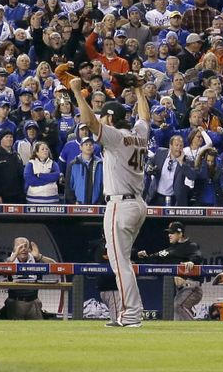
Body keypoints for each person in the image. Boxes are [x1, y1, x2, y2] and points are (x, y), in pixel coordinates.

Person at [69, 75, 150, 328]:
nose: (102, 118)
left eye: (105, 115)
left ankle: (131, 315)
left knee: (120, 263)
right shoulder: (138, 134)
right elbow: (145, 118)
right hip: (137, 203)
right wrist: (138, 90)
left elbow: (89, 121)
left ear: (112, 119)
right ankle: (132, 312)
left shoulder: (115, 136)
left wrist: (77, 92)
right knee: (123, 261)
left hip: (120, 205)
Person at [137, 221, 203, 321]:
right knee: (177, 310)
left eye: (172, 233)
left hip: (192, 287)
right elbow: (157, 256)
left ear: (180, 234)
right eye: (169, 233)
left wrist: (191, 261)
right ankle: (183, 333)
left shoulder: (191, 246)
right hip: (182, 289)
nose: (169, 235)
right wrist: (145, 257)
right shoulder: (172, 249)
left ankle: (193, 328)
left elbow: (197, 255)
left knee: (178, 306)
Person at [3, 237, 56, 320]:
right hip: (15, 302)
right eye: (20, 246)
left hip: (33, 302)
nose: (23, 249)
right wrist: (13, 257)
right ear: (14, 249)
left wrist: (39, 257)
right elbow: (0, 269)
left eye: (26, 246)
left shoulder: (34, 259)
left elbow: (55, 266)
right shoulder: (10, 260)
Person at [144, 134, 192, 206]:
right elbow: (150, 161)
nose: (179, 148)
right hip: (155, 197)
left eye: (181, 146)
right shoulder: (160, 152)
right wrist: (149, 167)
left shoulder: (186, 161)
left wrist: (181, 162)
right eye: (177, 145)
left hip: (174, 200)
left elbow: (192, 176)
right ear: (170, 146)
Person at [0, 129, 26, 203]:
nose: (9, 139)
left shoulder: (16, 155)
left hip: (17, 194)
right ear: (1, 139)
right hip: (3, 196)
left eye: (11, 137)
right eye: (6, 137)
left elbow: (20, 174)